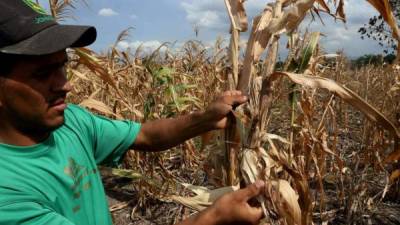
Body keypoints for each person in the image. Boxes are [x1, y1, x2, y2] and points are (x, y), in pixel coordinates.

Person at [0, 1, 265, 225]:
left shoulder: (70, 121)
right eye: (43, 73)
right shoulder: (7, 195)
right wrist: (214, 217)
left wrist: (205, 118)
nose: (65, 84)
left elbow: (145, 135)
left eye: (62, 67)